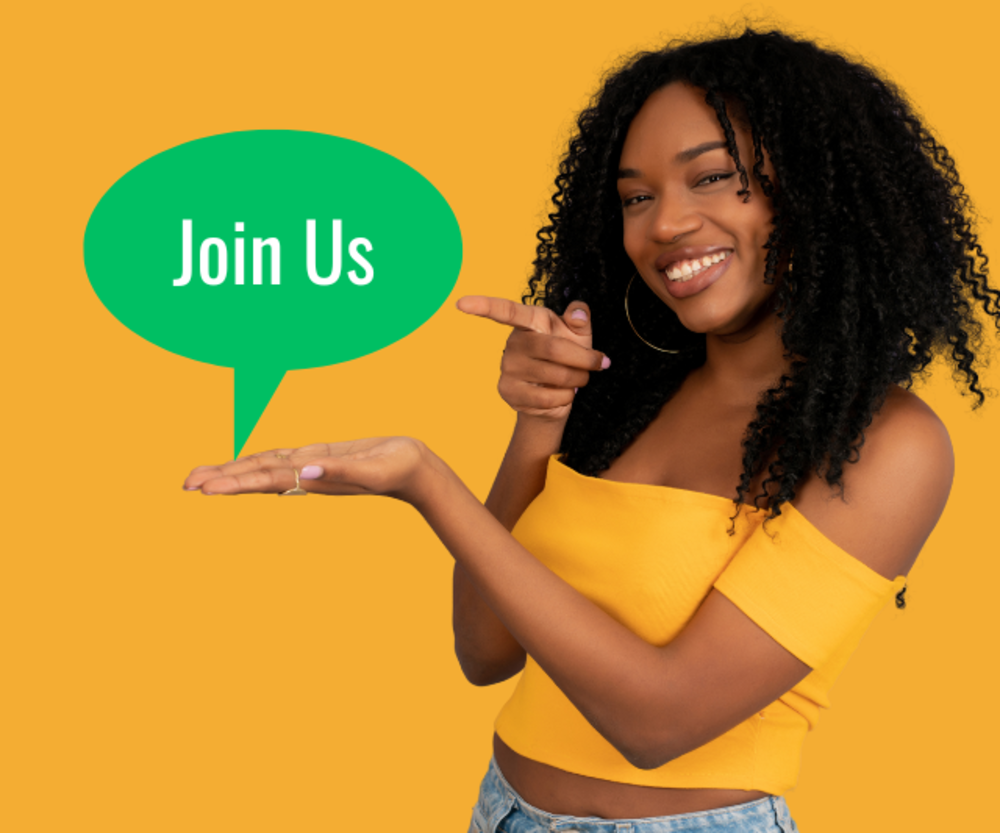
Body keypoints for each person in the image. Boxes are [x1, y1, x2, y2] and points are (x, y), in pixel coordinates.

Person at [184, 27, 999, 833]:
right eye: (636, 196)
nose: (664, 225)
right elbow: (487, 648)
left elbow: (659, 722)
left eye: (712, 177)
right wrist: (538, 426)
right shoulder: (632, 393)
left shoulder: (884, 442)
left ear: (822, 187)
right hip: (502, 812)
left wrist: (427, 484)